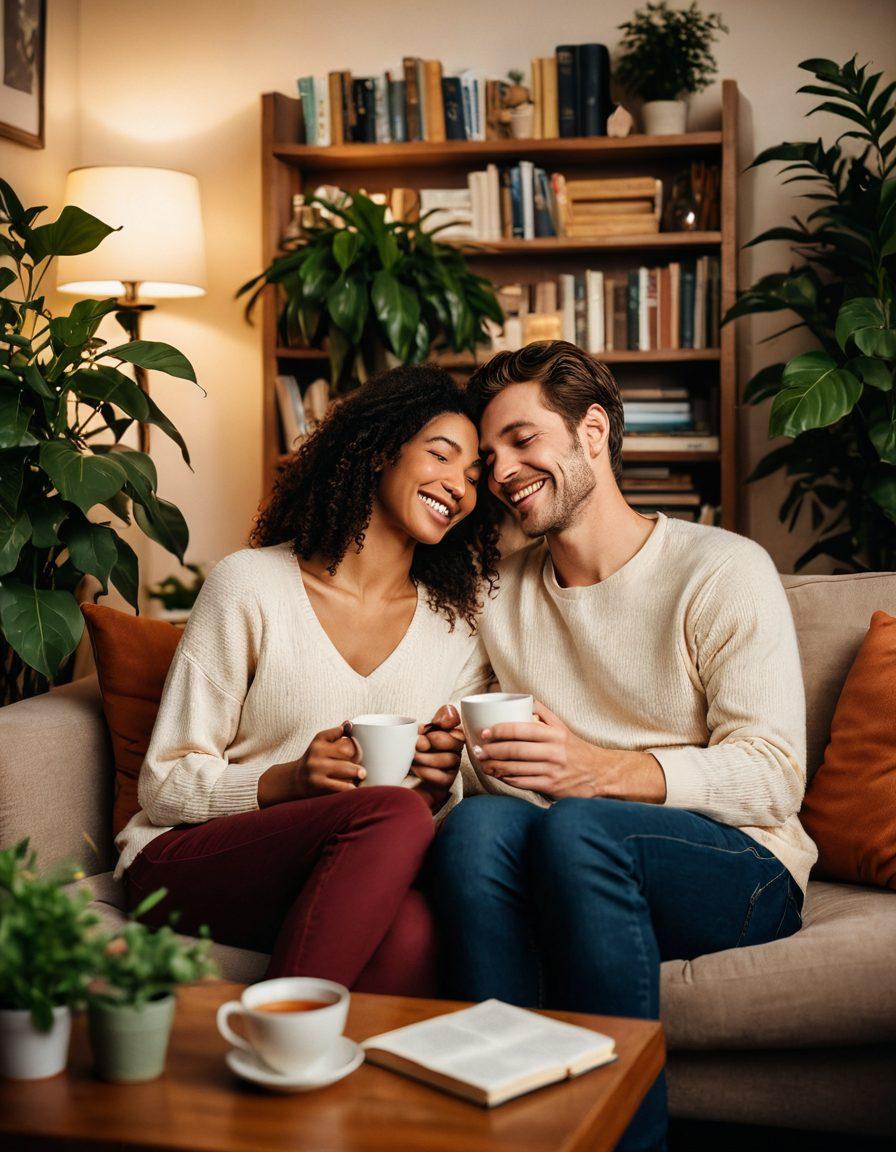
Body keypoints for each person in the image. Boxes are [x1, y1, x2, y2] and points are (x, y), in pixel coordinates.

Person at [427, 341, 817, 1151]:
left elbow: (775, 777)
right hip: (572, 859)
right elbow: (487, 767)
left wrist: (602, 770)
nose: (501, 471)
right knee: (472, 830)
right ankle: (504, 1130)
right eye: (489, 456)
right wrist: (443, 758)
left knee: (578, 823)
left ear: (592, 431)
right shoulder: (499, 593)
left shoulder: (721, 570)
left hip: (742, 869)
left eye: (524, 440)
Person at [114, 364, 497, 998]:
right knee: (395, 816)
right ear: (378, 450)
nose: (458, 485)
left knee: (415, 928)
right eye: (442, 456)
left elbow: (405, 817)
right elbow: (164, 784)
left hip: (343, 865)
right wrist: (286, 781)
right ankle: (280, 1033)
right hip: (188, 860)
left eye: (475, 477)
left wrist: (437, 787)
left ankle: (296, 1074)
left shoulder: (456, 629)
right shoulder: (250, 586)